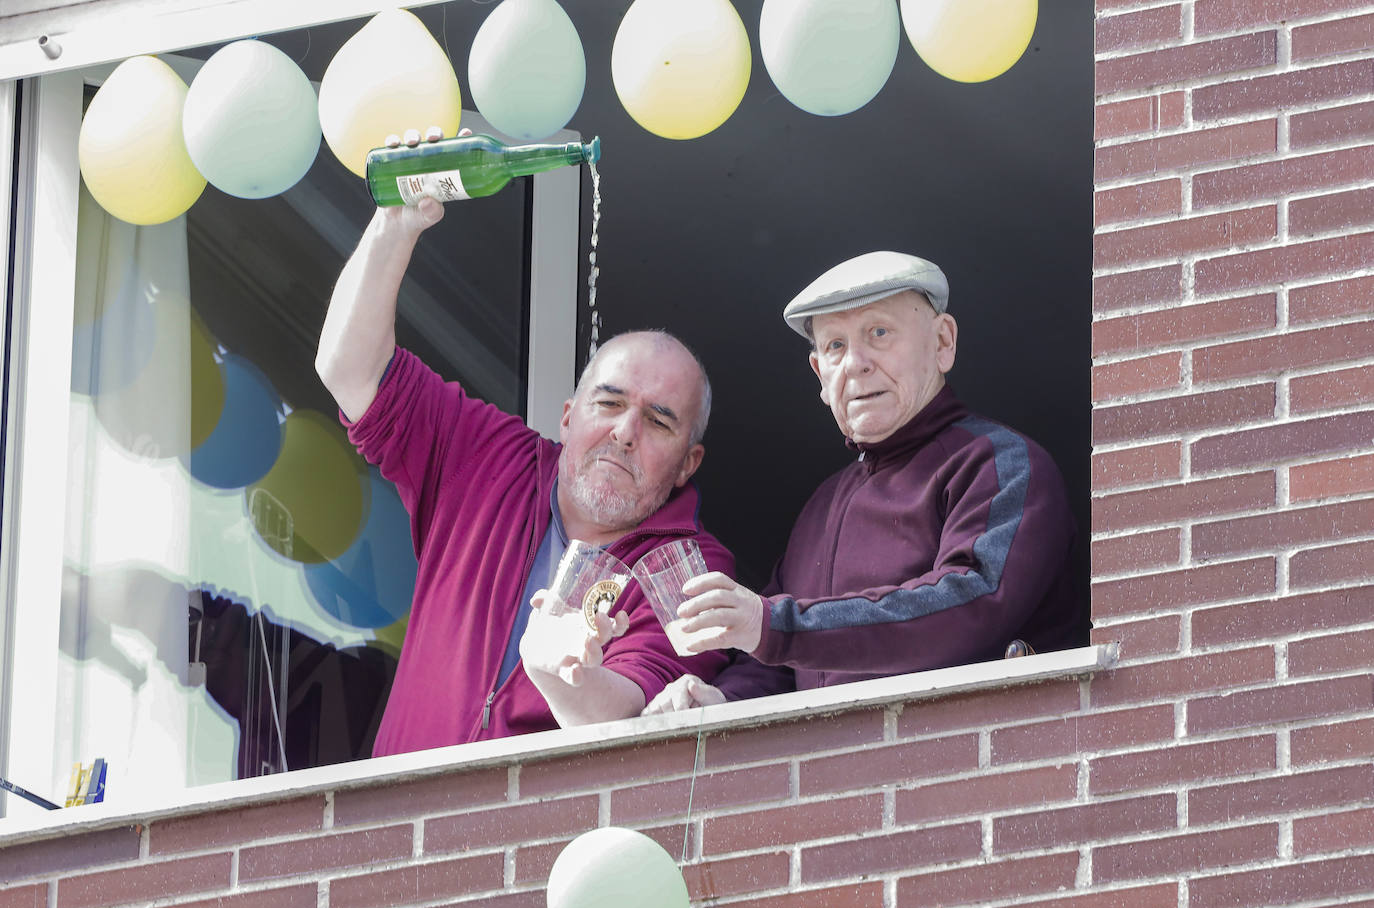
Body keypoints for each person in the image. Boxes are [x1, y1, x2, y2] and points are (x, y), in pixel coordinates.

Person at [316, 155, 731, 755]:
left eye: (658, 420)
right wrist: (396, 222)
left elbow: (627, 723)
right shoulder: (487, 457)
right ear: (568, 417)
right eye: (609, 404)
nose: (624, 431)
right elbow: (347, 369)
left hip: (539, 842)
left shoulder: (688, 572)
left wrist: (571, 673)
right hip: (394, 831)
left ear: (689, 463)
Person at [643, 251, 1083, 713]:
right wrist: (720, 700)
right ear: (820, 375)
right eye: (835, 345)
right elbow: (776, 663)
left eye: (879, 332)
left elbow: (972, 606)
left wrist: (773, 625)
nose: (856, 363)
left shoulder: (997, 463)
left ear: (943, 342)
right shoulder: (822, 505)